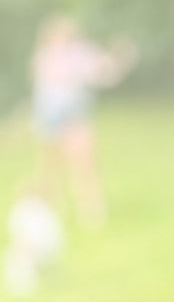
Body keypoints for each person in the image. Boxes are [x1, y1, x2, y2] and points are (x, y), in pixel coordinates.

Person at [29, 16, 137, 227]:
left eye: (64, 35)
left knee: (84, 162)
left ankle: (91, 209)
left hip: (74, 115)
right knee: (49, 167)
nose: (60, 40)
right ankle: (50, 209)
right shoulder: (43, 57)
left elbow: (106, 73)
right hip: (48, 116)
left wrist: (121, 58)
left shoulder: (82, 53)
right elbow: (41, 85)